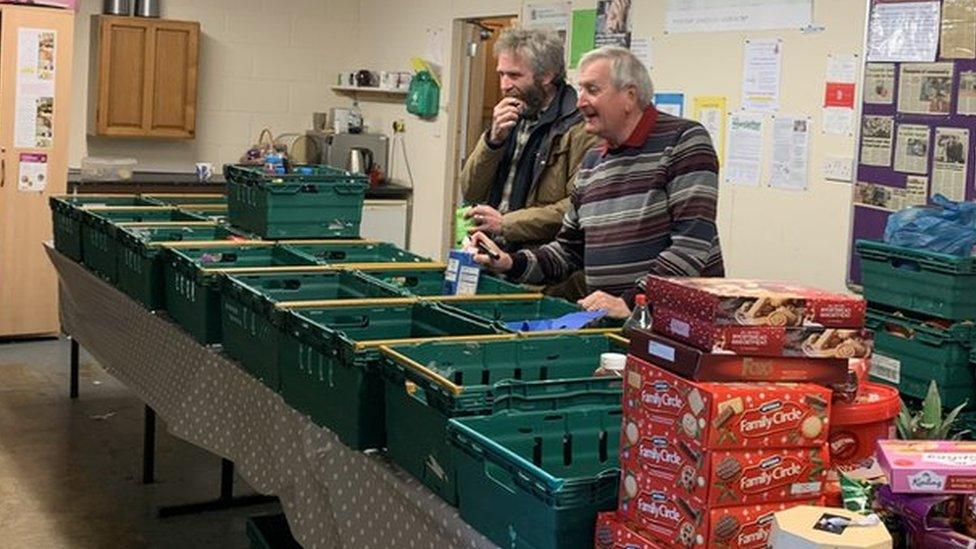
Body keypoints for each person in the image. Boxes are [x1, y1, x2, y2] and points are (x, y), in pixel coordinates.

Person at [468, 46, 725, 319]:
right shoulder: (592, 162)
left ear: (629, 96)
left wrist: (632, 303)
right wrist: (510, 262)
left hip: (680, 326)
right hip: (614, 323)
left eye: (592, 90)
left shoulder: (684, 141)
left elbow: (690, 244)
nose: (580, 101)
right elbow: (569, 251)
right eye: (579, 90)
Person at [458, 27, 600, 301]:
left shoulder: (579, 126)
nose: (504, 85)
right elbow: (470, 189)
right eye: (501, 74)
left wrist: (506, 223)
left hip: (545, 275)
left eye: (514, 75)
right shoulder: (510, 115)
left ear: (547, 75)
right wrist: (492, 141)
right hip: (491, 260)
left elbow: (577, 206)